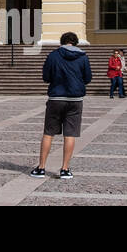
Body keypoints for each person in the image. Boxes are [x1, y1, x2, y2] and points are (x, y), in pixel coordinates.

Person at [31, 31, 92, 180]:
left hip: (56, 97)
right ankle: (65, 169)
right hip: (75, 99)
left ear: (62, 42)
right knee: (70, 133)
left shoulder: (53, 55)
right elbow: (88, 78)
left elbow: (46, 77)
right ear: (75, 42)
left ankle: (41, 168)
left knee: (49, 132)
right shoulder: (83, 57)